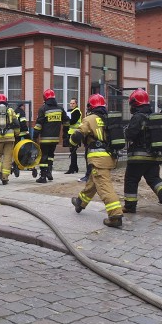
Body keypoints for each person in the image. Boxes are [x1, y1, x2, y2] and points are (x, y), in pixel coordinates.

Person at [69, 94, 124, 228]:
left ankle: (115, 214)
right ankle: (80, 202)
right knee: (93, 181)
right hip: (109, 156)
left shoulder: (90, 119)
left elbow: (77, 135)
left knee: (104, 186)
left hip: (98, 158)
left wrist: (71, 142)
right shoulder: (108, 119)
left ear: (91, 106)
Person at [123, 89, 162, 218]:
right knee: (154, 179)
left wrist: (125, 131)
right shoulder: (153, 117)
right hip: (154, 156)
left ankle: (130, 206)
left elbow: (131, 135)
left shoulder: (138, 117)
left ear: (136, 103)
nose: (131, 107)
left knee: (131, 180)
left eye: (132, 104)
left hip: (138, 156)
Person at [33, 89, 69, 183]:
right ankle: (49, 172)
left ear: (45, 98)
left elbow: (39, 124)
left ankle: (43, 177)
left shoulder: (43, 109)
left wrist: (34, 136)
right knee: (50, 155)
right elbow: (66, 122)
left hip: (45, 138)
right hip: (55, 138)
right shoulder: (60, 109)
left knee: (43, 156)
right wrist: (65, 134)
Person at [65, 98, 81, 174]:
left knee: (73, 151)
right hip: (70, 133)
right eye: (70, 103)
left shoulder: (77, 111)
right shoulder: (69, 111)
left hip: (75, 134)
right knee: (72, 151)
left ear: (76, 104)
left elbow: (72, 122)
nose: (71, 105)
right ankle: (75, 167)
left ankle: (72, 168)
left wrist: (67, 120)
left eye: (73, 103)